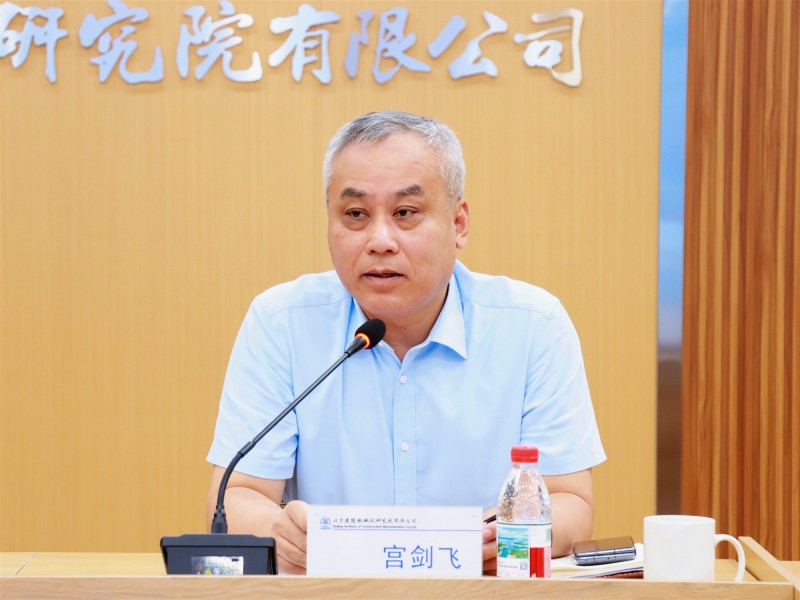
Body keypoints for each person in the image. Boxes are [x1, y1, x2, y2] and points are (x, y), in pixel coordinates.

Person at [206, 110, 606, 575]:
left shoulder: (532, 326)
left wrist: (507, 534)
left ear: (458, 223)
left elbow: (571, 502)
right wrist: (281, 532)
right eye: (355, 215)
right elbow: (238, 495)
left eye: (405, 213)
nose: (380, 240)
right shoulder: (281, 323)